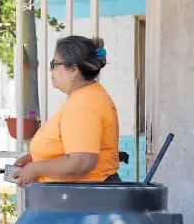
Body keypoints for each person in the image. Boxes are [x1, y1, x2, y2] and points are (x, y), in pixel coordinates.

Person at [13, 35, 120, 187]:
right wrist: (37, 159)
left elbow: (81, 162)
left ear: (73, 70)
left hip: (83, 199)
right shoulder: (87, 96)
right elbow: (72, 149)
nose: (51, 69)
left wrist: (35, 168)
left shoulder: (84, 104)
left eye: (54, 64)